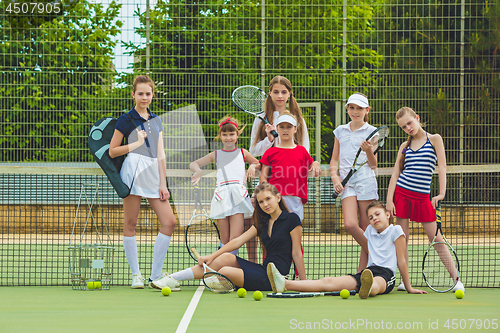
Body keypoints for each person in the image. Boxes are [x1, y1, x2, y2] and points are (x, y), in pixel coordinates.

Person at [267, 201, 428, 299]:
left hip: (386, 275)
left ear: (387, 215)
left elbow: (401, 260)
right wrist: (360, 273)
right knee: (328, 282)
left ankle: (368, 288)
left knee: (376, 285)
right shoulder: (370, 231)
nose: (374, 219)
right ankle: (285, 283)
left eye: (377, 214)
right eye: (370, 217)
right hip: (368, 272)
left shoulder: (396, 230)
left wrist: (409, 287)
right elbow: (365, 251)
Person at [163, 183, 306, 290]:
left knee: (225, 271)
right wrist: (211, 256)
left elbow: (296, 252)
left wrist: (303, 281)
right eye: (261, 202)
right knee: (226, 258)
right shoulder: (263, 223)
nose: (265, 204)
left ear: (278, 197)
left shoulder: (292, 219)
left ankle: (221, 280)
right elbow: (237, 241)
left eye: (268, 199)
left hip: (276, 278)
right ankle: (173, 278)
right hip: (264, 270)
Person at [108, 75, 177, 289]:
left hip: (153, 172)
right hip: (133, 170)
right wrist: (135, 144)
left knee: (169, 222)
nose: (144, 97)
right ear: (133, 94)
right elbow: (112, 151)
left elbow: (161, 154)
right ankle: (136, 275)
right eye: (140, 93)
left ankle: (155, 275)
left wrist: (163, 184)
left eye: (148, 93)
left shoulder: (156, 121)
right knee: (131, 223)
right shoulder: (125, 119)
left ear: (152, 95)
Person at [386, 107, 464, 292]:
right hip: (402, 195)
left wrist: (441, 193)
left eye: (410, 123)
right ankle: (405, 282)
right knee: (402, 239)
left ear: (417, 118)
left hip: (423, 199)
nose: (408, 128)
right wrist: (389, 200)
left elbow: (442, 167)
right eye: (404, 127)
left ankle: (457, 280)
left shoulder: (435, 139)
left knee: (436, 240)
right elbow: (395, 174)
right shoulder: (404, 147)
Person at [247, 75, 310, 262]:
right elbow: (253, 150)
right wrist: (270, 140)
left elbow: (304, 150)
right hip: (269, 185)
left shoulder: (298, 119)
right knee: (269, 231)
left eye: (284, 92)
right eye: (276, 92)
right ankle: (269, 268)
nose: (280, 96)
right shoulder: (261, 119)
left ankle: (298, 274)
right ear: (270, 93)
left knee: (292, 231)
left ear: (290, 94)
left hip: (291, 186)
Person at [189, 116, 259, 256]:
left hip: (238, 196)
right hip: (221, 197)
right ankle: (222, 272)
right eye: (225, 134)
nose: (228, 138)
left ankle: (229, 270)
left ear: (237, 135)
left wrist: (252, 166)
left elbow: (259, 163)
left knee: (235, 239)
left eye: (231, 134)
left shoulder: (243, 153)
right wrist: (198, 170)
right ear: (220, 136)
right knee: (225, 239)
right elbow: (194, 164)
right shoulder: (215, 154)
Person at [330, 93, 379, 273]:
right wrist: (335, 178)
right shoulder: (340, 131)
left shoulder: (372, 132)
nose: (355, 111)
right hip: (346, 183)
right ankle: (378, 254)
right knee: (350, 224)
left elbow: (373, 165)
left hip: (366, 181)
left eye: (359, 108)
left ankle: (362, 273)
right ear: (347, 109)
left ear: (367, 110)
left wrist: (368, 151)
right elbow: (334, 160)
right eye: (352, 107)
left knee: (366, 229)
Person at [260, 111, 321, 221]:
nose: (285, 130)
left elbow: (312, 163)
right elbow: (263, 177)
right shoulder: (270, 152)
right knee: (276, 231)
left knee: (294, 230)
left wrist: (316, 163)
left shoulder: (302, 151)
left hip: (295, 197)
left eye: (289, 127)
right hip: (275, 198)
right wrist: (267, 194)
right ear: (277, 130)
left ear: (295, 129)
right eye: (282, 127)